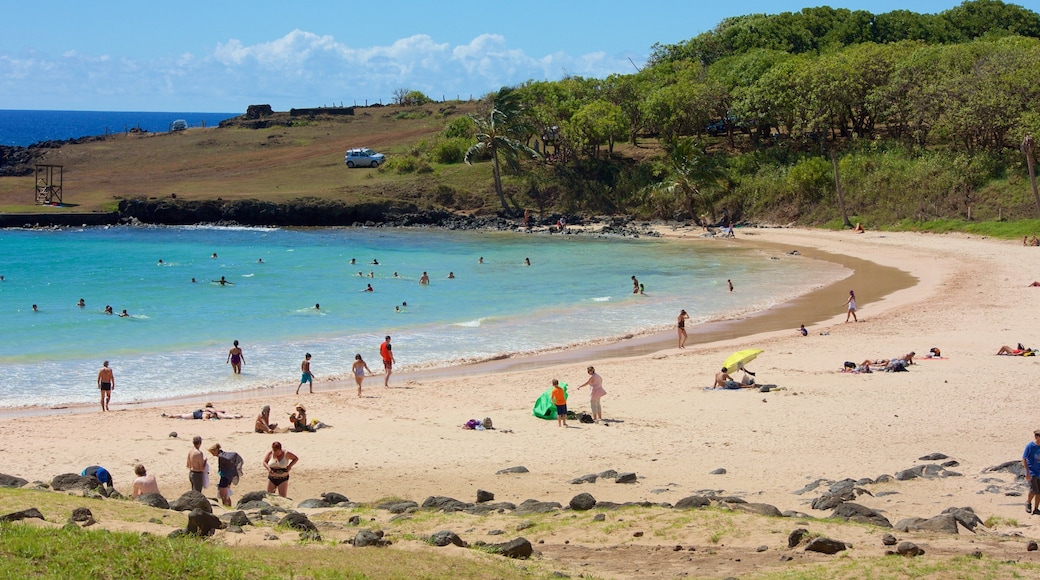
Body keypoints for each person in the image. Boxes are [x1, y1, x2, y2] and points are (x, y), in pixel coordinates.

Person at [208, 443, 244, 507]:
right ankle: (229, 507)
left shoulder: (221, 457)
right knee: (227, 494)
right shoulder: (224, 455)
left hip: (224, 477)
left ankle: (226, 507)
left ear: (215, 450)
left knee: (223, 495)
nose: (212, 454)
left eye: (212, 452)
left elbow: (222, 468)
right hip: (229, 477)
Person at [1024, 430, 1040, 514]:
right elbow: (1024, 458)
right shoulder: (1030, 446)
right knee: (1033, 490)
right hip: (1032, 471)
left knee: (1039, 492)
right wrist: (1027, 472)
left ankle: (1036, 508)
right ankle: (1028, 502)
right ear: (1037, 437)